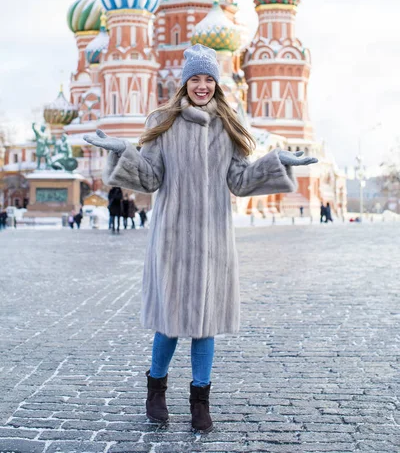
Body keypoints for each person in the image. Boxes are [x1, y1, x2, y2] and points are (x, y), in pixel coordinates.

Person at [83, 44, 318, 433]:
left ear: (217, 83)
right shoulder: (164, 121)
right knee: (169, 325)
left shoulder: (228, 126)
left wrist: (276, 161)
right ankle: (156, 390)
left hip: (213, 242)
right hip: (173, 240)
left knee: (205, 326)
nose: (203, 85)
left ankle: (200, 401)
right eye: (196, 78)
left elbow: (240, 181)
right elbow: (150, 178)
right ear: (185, 83)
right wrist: (123, 150)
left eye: (209, 78)